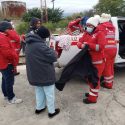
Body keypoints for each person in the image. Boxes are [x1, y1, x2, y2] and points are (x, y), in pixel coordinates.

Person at [25, 26, 60, 118]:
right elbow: (53, 57)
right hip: (44, 74)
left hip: (34, 73)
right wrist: (52, 49)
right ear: (44, 37)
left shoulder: (29, 42)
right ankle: (51, 112)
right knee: (49, 94)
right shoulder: (40, 45)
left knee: (39, 91)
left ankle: (39, 108)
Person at [77, 16, 106, 104]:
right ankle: (92, 93)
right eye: (87, 25)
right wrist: (81, 45)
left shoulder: (100, 33)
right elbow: (80, 42)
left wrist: (88, 45)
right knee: (89, 78)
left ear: (94, 26)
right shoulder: (86, 33)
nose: (88, 27)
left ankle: (92, 98)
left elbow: (100, 47)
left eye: (90, 25)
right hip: (89, 61)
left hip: (98, 62)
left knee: (94, 80)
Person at [0, 21, 23, 104]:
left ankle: (6, 95)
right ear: (5, 29)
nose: (10, 30)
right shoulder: (2, 37)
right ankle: (11, 98)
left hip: (2, 63)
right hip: (7, 63)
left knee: (4, 79)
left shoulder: (2, 36)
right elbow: (7, 52)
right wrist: (15, 57)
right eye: (9, 29)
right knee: (9, 81)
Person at [98, 13, 117, 89]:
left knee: (107, 68)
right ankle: (110, 81)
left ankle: (108, 84)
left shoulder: (100, 27)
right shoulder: (113, 27)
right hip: (113, 49)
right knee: (111, 67)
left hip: (106, 50)